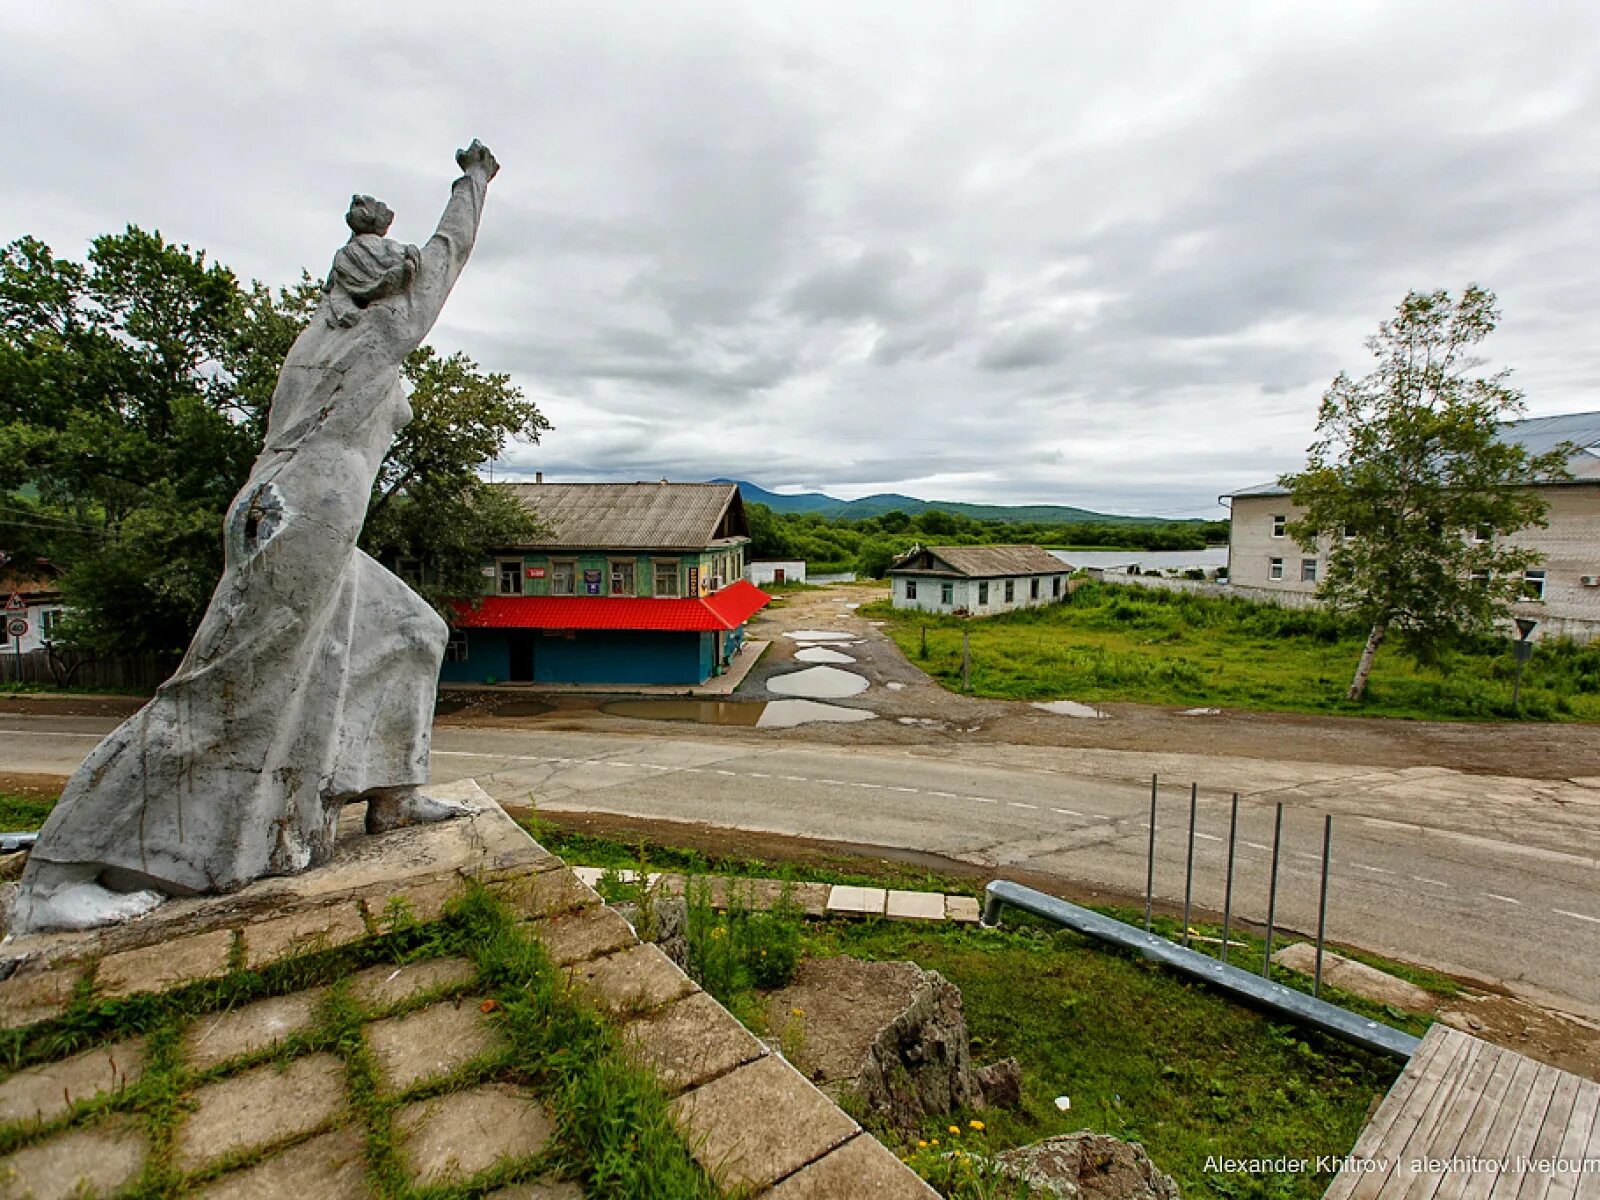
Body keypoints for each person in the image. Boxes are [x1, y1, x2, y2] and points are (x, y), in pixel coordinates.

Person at [11, 141, 501, 934]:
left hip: (308, 515)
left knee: (412, 630)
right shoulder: (368, 339)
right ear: (376, 286)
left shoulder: (330, 336)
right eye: (398, 273)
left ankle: (393, 795)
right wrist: (473, 182)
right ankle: (54, 873)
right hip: (300, 515)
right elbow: (448, 258)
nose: (414, 282)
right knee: (217, 698)